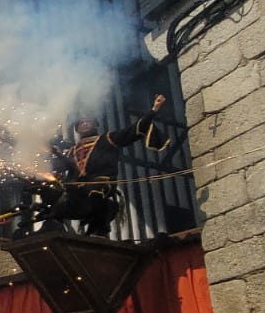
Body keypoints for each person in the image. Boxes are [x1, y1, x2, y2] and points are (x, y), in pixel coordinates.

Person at [37, 94, 168, 237]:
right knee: (54, 199)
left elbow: (132, 131)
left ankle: (98, 228)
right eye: (81, 123)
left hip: (101, 184)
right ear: (77, 129)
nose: (85, 124)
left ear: (96, 125)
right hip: (75, 190)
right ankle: (53, 228)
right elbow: (54, 168)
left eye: (88, 122)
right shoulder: (70, 151)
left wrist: (154, 109)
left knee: (96, 190)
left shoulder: (108, 139)